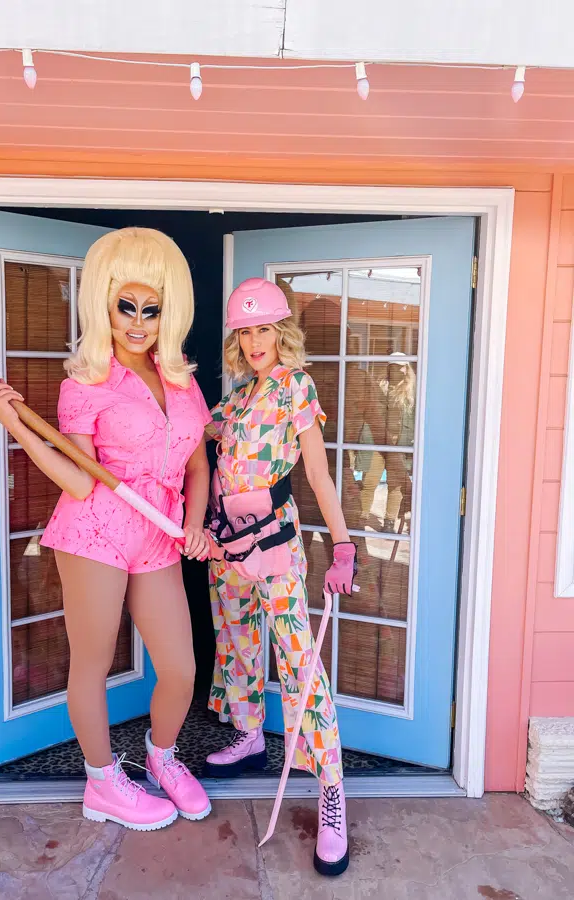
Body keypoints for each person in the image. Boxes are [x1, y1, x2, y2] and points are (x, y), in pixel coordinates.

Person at [0, 227, 212, 830]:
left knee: (181, 665)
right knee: (94, 661)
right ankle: (104, 783)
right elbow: (79, 480)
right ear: (105, 305)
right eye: (125, 306)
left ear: (170, 313)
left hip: (157, 532)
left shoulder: (184, 383)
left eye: (151, 309)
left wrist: (192, 523)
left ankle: (161, 758)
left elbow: (196, 463)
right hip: (96, 531)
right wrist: (13, 420)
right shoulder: (86, 383)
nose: (138, 322)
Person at [204, 278, 357, 877]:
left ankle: (331, 791)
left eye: (263, 329)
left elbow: (316, 475)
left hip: (273, 544)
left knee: (297, 661)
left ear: (281, 333)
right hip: (226, 546)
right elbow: (195, 449)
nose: (253, 342)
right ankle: (248, 735)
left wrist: (342, 543)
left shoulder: (296, 387)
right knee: (238, 642)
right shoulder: (236, 399)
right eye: (244, 332)